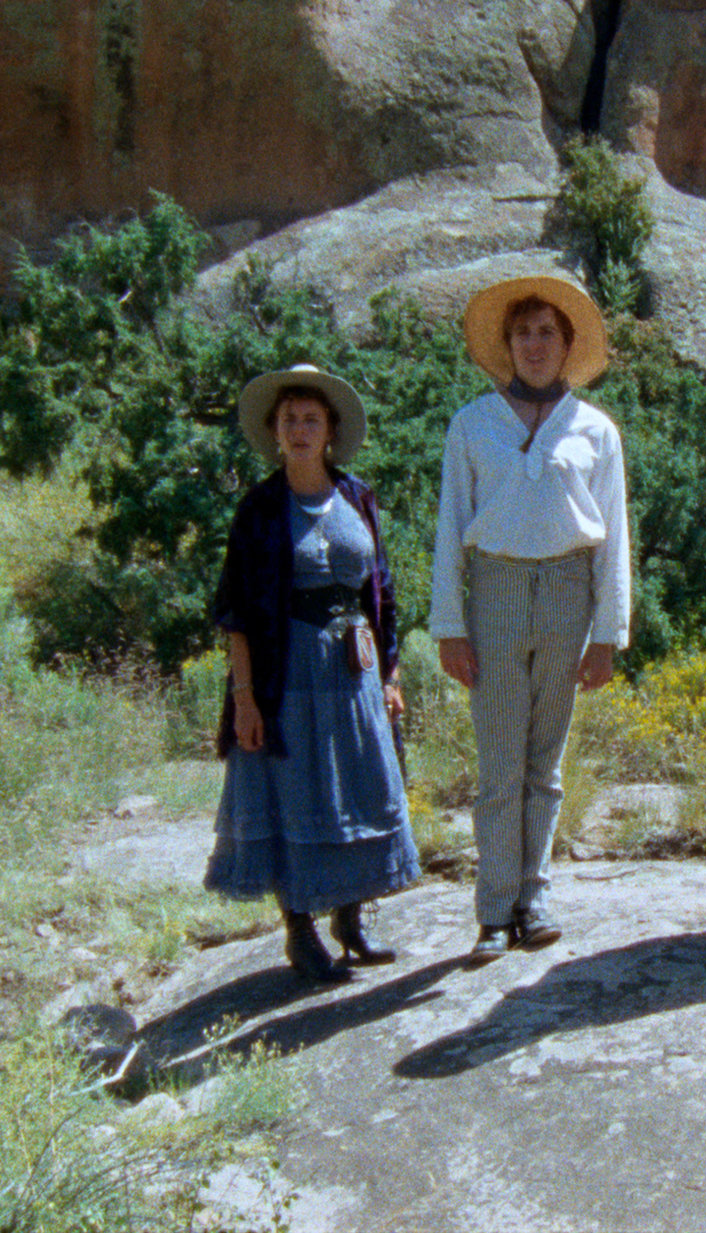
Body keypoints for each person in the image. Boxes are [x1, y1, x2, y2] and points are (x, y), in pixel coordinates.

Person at [429, 275, 630, 962]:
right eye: (523, 333)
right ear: (507, 344)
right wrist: (449, 625)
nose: (535, 344)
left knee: (545, 762)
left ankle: (533, 900)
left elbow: (614, 538)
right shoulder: (473, 423)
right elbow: (450, 526)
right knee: (499, 762)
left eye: (548, 332)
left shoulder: (595, 429)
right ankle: (493, 910)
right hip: (497, 591)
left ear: (568, 345)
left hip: (569, 593)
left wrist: (608, 634)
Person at [206, 363, 419, 983]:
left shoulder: (357, 497)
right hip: (287, 674)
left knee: (361, 783)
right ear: (275, 432)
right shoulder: (259, 510)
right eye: (289, 420)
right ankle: (299, 931)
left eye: (311, 419)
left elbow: (381, 590)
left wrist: (390, 674)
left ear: (329, 431)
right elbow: (236, 613)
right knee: (293, 790)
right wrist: (245, 698)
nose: (300, 429)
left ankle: (350, 919)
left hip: (355, 672)